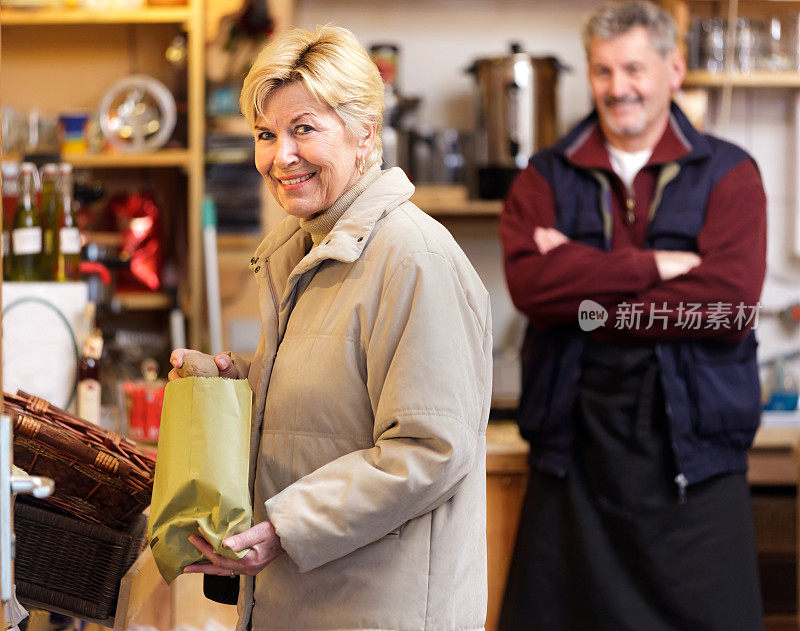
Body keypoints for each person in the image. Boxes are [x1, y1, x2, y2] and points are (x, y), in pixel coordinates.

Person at [169, 25, 492, 631]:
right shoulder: (299, 249)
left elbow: (429, 448)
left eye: (304, 129)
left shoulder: (413, 257)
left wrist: (289, 527)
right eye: (266, 134)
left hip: (378, 611)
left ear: (365, 133)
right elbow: (331, 398)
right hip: (303, 603)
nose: (279, 156)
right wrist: (232, 381)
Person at [498, 2, 767, 630]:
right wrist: (655, 268)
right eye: (602, 71)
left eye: (634, 69)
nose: (618, 88)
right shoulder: (543, 178)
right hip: (572, 461)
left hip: (695, 467)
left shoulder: (730, 174)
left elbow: (726, 306)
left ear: (674, 69)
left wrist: (587, 299)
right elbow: (532, 289)